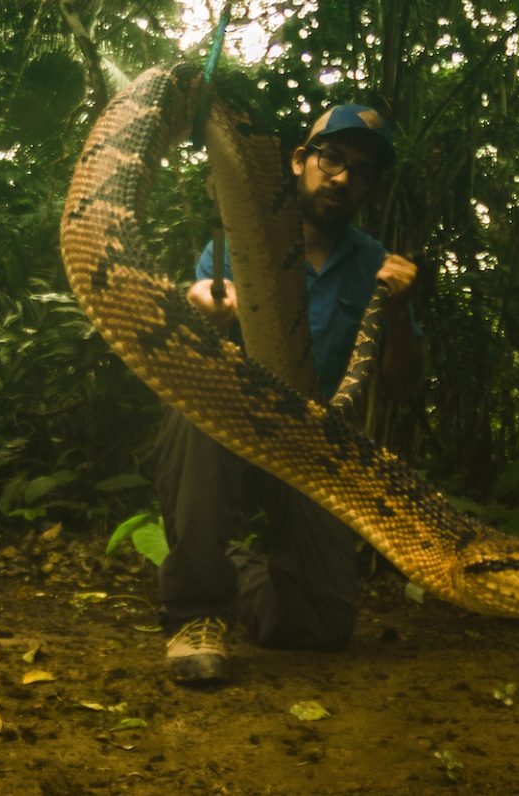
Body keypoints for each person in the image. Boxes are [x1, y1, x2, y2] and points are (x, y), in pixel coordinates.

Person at [154, 103, 423, 684]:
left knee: (321, 627)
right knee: (197, 402)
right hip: (234, 426)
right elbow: (193, 331)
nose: (344, 177)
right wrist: (204, 311)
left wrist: (397, 312)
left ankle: (228, 566)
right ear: (301, 161)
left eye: (362, 171)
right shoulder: (245, 240)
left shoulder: (376, 266)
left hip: (311, 448)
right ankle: (196, 613)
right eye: (332, 158)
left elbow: (402, 387)